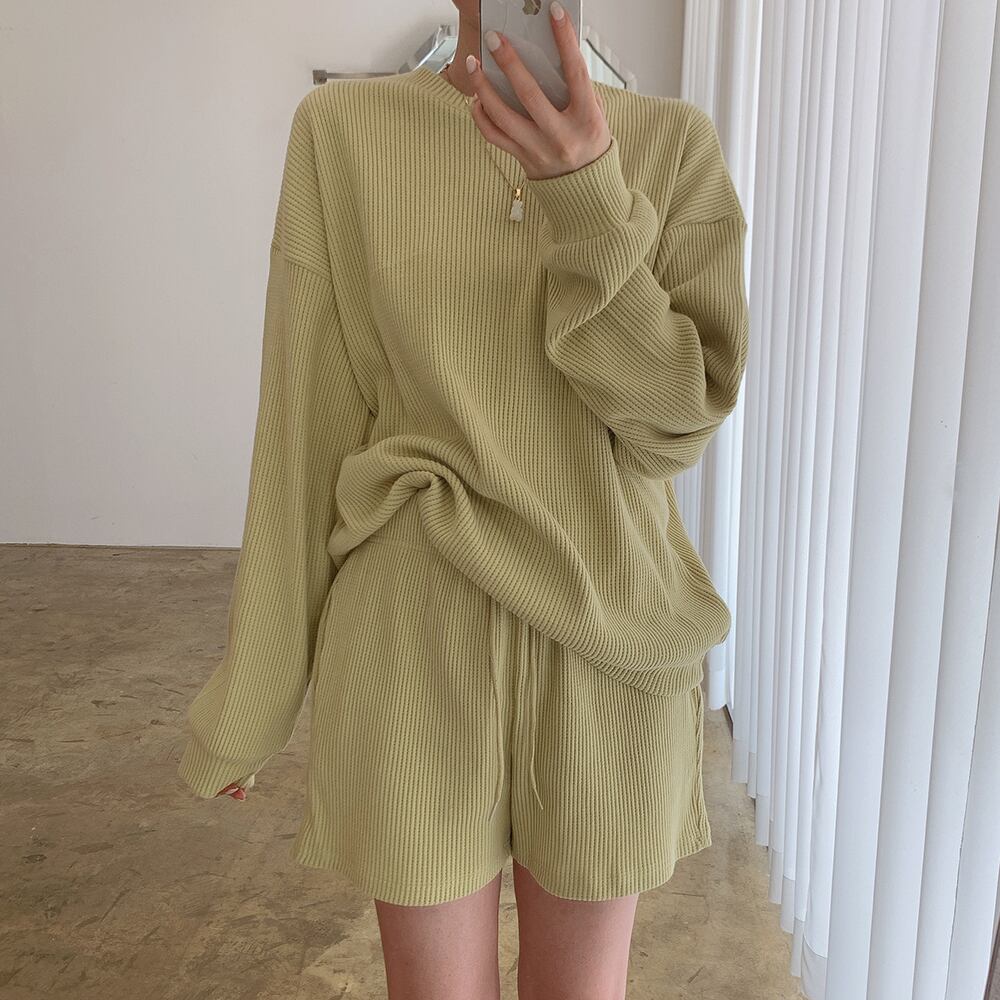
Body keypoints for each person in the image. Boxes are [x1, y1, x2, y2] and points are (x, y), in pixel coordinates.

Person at [178, 1, 750, 997]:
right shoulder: (345, 132)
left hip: (609, 644)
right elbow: (303, 428)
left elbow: (674, 426)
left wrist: (587, 194)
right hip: (412, 633)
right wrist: (251, 702)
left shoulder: (674, 147)